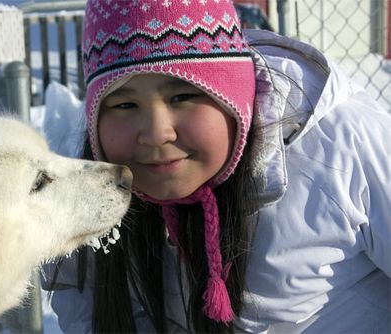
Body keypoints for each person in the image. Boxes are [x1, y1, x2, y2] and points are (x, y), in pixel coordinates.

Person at [41, 0, 391, 333]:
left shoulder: (344, 146)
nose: (156, 134)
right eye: (124, 104)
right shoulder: (91, 185)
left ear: (234, 94)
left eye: (182, 96)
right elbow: (81, 293)